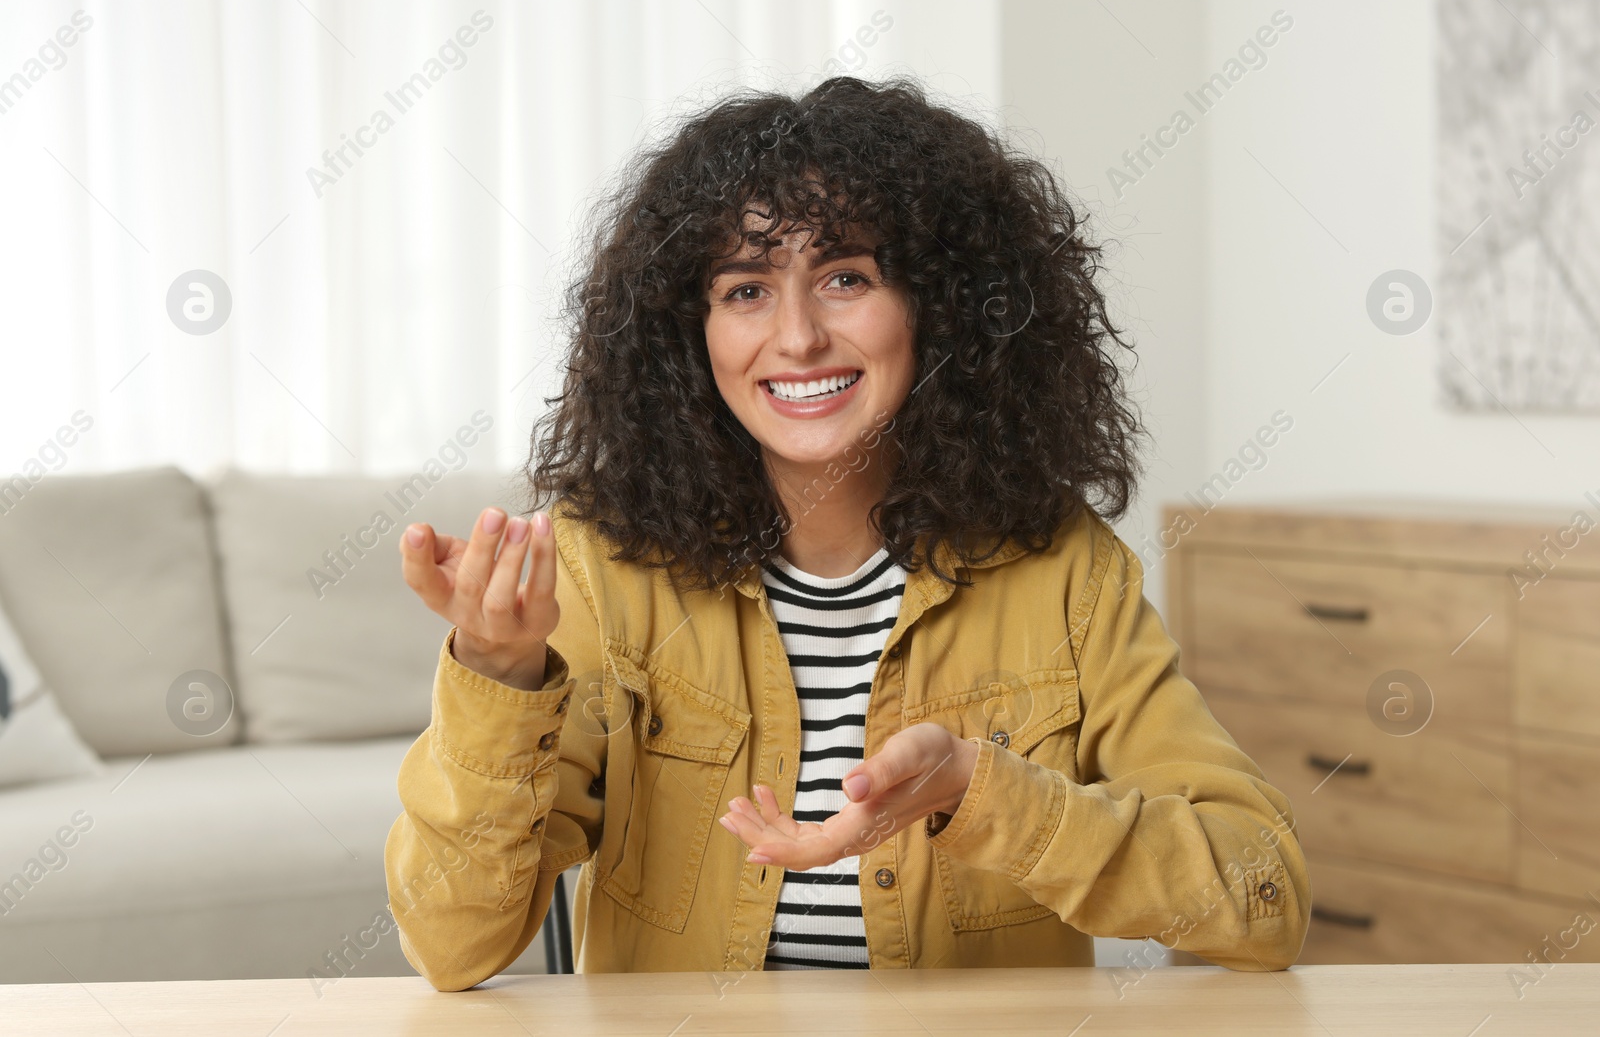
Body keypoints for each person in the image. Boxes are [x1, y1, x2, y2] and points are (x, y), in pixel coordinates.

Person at [384, 75, 1309, 990]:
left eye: (845, 278)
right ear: (687, 333)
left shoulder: (1065, 574)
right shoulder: (603, 569)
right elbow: (452, 945)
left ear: (939, 305)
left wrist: (984, 792)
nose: (796, 337)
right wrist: (497, 669)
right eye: (745, 289)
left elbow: (1264, 899)